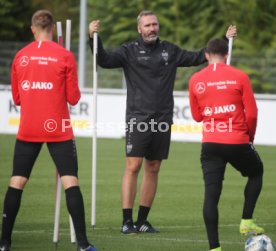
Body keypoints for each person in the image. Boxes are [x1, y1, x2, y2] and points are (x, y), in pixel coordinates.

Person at [88, 10, 237, 234]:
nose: (152, 29)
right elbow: (104, 60)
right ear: (139, 29)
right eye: (147, 25)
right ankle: (127, 222)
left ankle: (142, 221)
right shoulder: (128, 50)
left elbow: (198, 57)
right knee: (133, 166)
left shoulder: (170, 50)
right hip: (138, 117)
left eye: (155, 24)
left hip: (163, 118)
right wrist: (93, 38)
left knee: (154, 167)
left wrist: (225, 40)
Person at [0, 10, 99, 251]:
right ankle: (83, 245)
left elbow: (17, 98)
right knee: (70, 181)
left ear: (33, 29)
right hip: (58, 128)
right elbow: (74, 98)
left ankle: (4, 243)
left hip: (29, 127)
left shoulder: (21, 56)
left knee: (17, 181)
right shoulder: (64, 55)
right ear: (53, 29)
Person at [188, 38, 264, 251]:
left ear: (206, 55)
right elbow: (252, 113)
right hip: (237, 140)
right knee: (256, 173)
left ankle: (214, 248)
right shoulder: (239, 76)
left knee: (211, 195)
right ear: (227, 55)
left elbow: (196, 116)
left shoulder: (195, 79)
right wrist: (250, 136)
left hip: (210, 143)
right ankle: (246, 221)